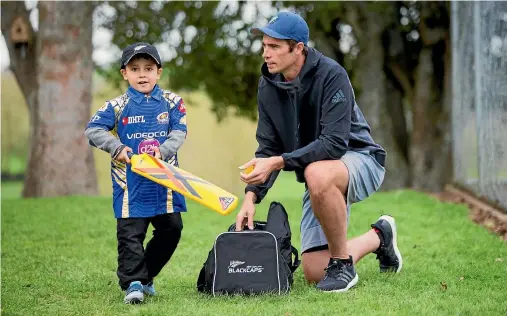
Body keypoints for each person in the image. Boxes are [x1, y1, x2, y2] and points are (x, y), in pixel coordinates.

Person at [235, 12, 402, 292]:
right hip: (320, 174)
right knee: (315, 271)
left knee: (316, 172)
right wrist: (251, 197)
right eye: (264, 46)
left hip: (361, 159)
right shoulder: (268, 87)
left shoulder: (331, 74)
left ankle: (343, 265)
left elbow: (334, 144)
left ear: (298, 48)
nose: (266, 53)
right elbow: (268, 148)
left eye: (274, 46)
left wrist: (279, 162)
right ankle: (380, 237)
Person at [85, 42, 188, 303]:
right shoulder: (116, 106)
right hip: (129, 185)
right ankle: (133, 285)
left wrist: (163, 151)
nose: (142, 74)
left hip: (165, 184)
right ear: (125, 74)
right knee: (131, 236)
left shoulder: (172, 102)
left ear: (159, 72)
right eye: (135, 68)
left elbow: (179, 132)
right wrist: (116, 147)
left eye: (148, 68)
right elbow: (93, 130)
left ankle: (146, 277)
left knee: (172, 230)